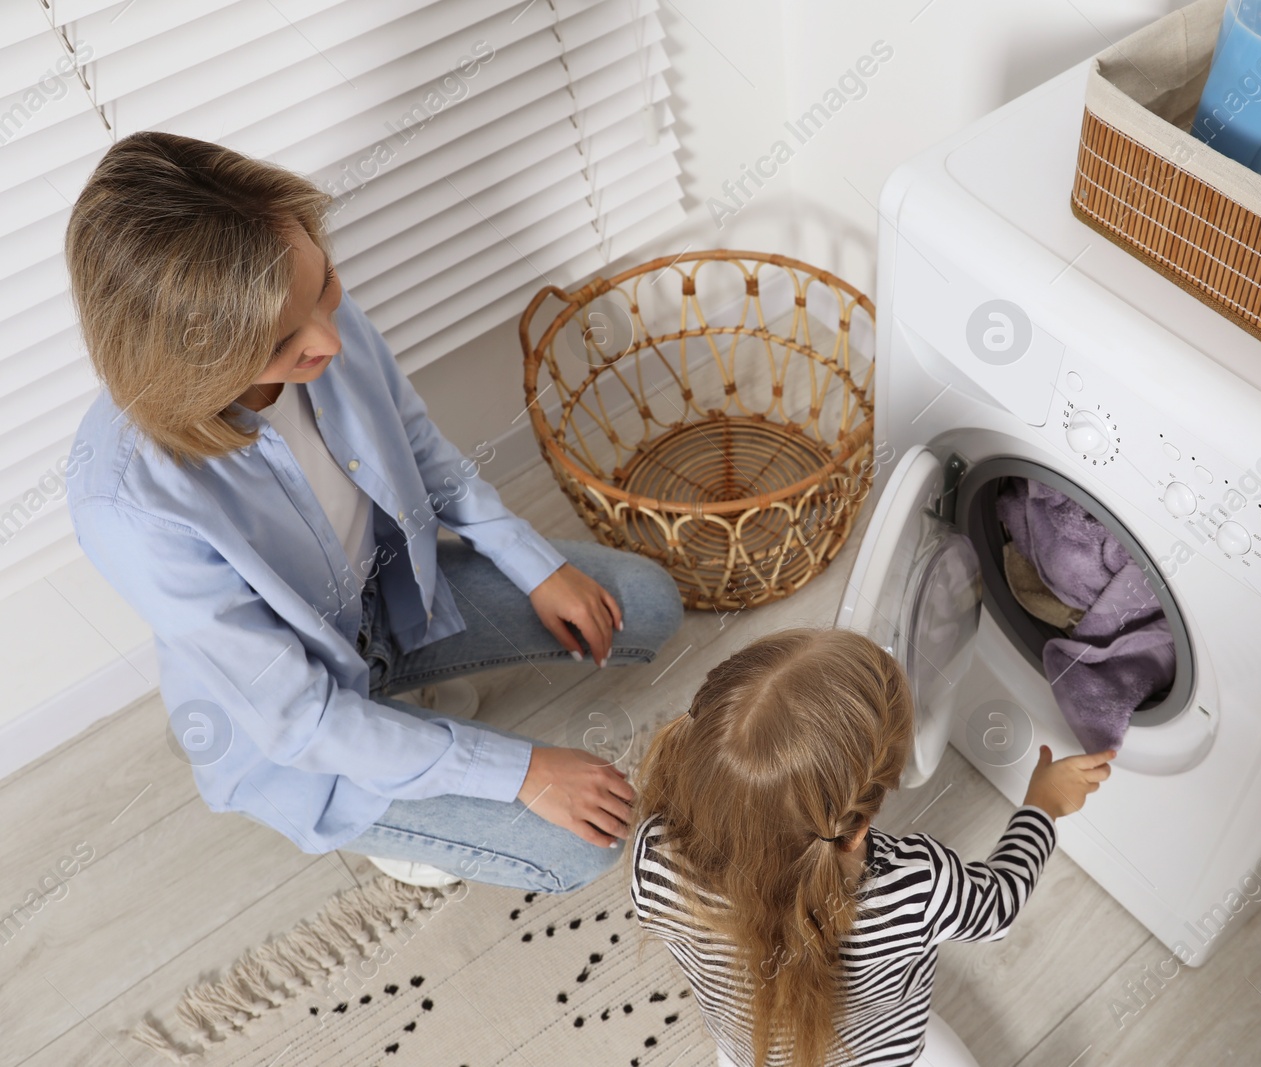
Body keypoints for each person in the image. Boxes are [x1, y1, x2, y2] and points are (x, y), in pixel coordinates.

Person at [64, 131, 684, 892]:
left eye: (326, 285)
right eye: (284, 341)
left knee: (645, 604)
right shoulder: (130, 507)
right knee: (583, 848)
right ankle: (393, 786)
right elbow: (301, 717)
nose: (329, 336)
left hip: (392, 606)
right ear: (193, 362)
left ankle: (407, 717)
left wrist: (536, 564)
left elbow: (420, 450)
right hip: (302, 722)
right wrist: (521, 769)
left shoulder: (308, 306)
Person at [629, 627, 1116, 1067]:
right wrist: (1042, 806)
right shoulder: (918, 883)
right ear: (859, 824)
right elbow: (999, 906)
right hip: (884, 1057)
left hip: (746, 1054)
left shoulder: (654, 858)